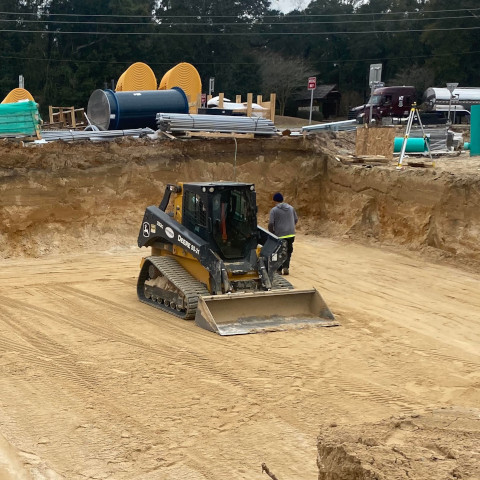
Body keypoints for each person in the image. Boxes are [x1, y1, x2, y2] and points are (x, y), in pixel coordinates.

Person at [268, 192, 298, 275]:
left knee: (278, 251)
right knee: (288, 250)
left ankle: (278, 269)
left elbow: (271, 223)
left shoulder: (274, 210)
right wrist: (290, 227)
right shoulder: (291, 208)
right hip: (291, 234)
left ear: (275, 201)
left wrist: (272, 232)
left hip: (280, 234)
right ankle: (286, 267)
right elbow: (296, 219)